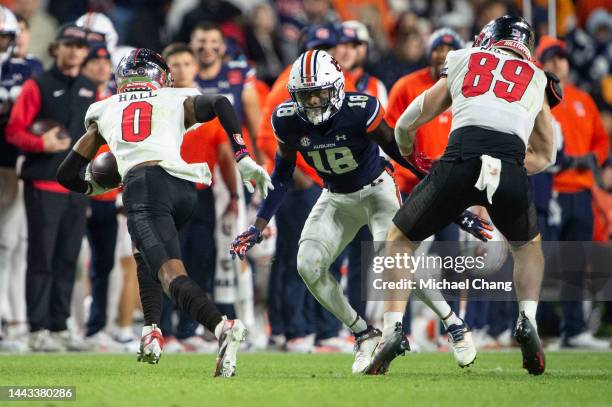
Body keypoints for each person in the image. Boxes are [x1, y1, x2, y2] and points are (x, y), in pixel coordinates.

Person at [230, 50, 488, 373]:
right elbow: (281, 177)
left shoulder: (360, 110)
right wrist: (258, 225)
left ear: (336, 88)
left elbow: (404, 155)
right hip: (335, 197)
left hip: (377, 190)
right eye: (306, 96)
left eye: (320, 94)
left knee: (394, 262)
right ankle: (362, 332)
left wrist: (452, 206)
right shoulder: (286, 120)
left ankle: (453, 324)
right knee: (307, 266)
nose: (313, 103)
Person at [56, 48, 271, 377]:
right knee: (146, 252)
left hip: (144, 183)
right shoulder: (174, 96)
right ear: (161, 77)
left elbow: (67, 176)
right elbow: (221, 104)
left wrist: (102, 184)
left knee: (170, 274)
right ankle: (152, 330)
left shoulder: (103, 108)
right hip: (185, 188)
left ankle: (222, 326)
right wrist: (242, 156)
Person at [369, 16, 556, 376]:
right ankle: (527, 319)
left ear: (487, 37)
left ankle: (392, 329)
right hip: (510, 165)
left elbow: (412, 116)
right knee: (528, 247)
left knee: (400, 240)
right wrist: (509, 166)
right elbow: (547, 154)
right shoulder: (536, 75)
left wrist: (408, 150)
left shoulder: (463, 57)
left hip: (459, 159)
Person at [6, 22, 95, 352]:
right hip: (43, 181)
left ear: (86, 52)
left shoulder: (89, 87)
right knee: (41, 257)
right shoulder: (37, 85)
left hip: (75, 186)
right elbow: (14, 131)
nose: (74, 50)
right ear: (56, 48)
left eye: (80, 45)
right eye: (68, 44)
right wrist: (40, 144)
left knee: (68, 259)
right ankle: (37, 329)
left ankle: (59, 327)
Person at [536, 36, 610, 349]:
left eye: (561, 58)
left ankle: (573, 330)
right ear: (539, 63)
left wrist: (595, 159)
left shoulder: (583, 100)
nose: (557, 63)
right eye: (550, 58)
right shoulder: (537, 99)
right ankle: (527, 328)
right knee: (540, 261)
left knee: (575, 264)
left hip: (580, 191)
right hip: (549, 189)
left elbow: (601, 140)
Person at [0, 5, 41, 352]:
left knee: (13, 243)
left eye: (2, 37)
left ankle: (13, 318)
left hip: (13, 163)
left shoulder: (29, 69)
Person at [189, 22, 261, 158]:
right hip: (198, 150)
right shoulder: (182, 75)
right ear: (191, 45)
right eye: (202, 41)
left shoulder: (240, 72)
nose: (207, 47)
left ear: (223, 47)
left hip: (234, 148)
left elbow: (255, 127)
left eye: (213, 41)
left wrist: (261, 164)